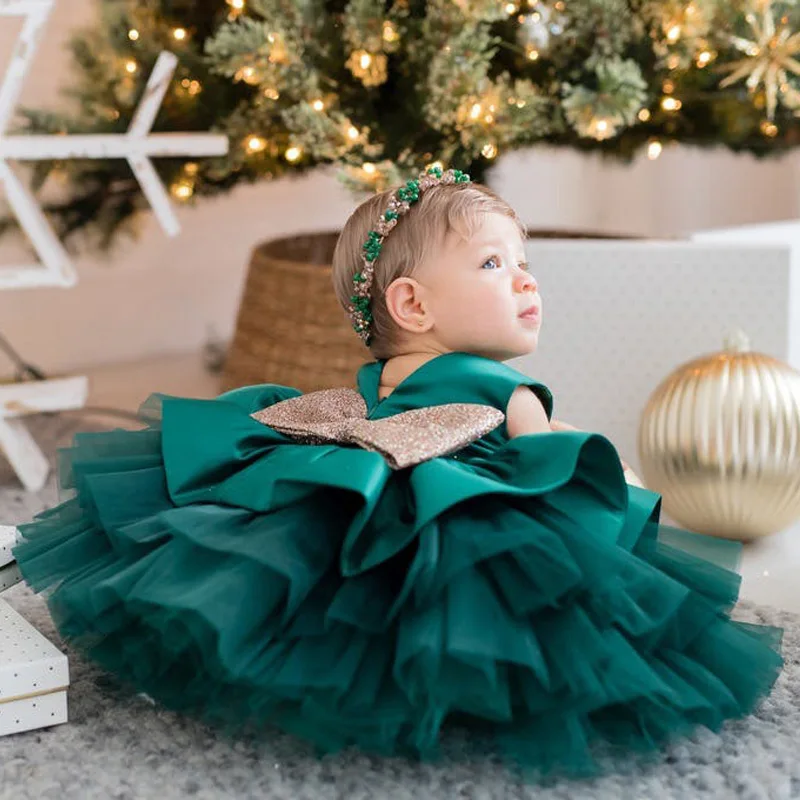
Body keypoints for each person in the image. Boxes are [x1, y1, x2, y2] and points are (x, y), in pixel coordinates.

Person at [13, 166, 782, 780]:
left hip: (391, 482)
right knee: (381, 559)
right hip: (393, 475)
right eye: (493, 263)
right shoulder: (504, 388)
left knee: (330, 562)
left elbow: (521, 445)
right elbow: (552, 465)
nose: (526, 282)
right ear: (410, 303)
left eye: (525, 264)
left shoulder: (455, 386)